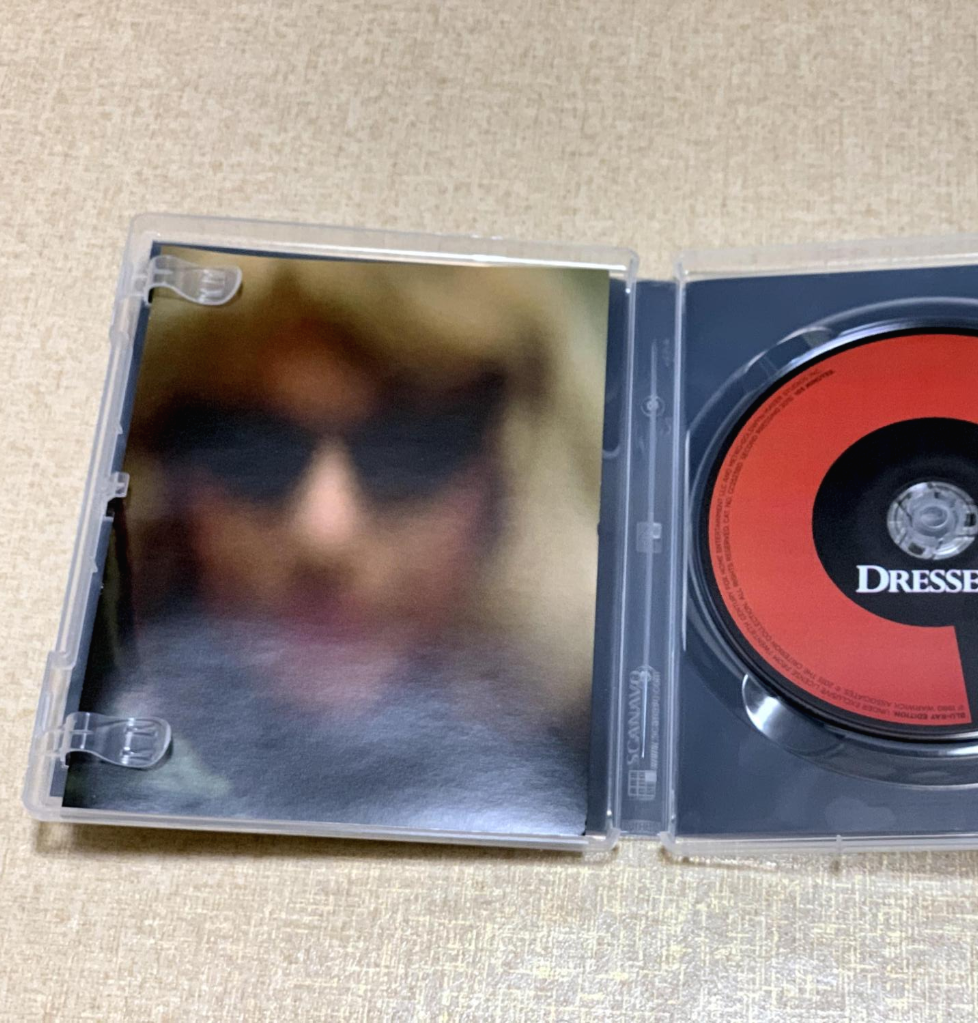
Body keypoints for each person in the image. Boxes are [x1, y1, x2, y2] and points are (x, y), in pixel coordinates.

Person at [65, 249, 609, 835]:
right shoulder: (97, 761)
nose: (325, 533)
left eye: (409, 446)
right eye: (251, 446)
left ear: (512, 477)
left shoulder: (607, 778)